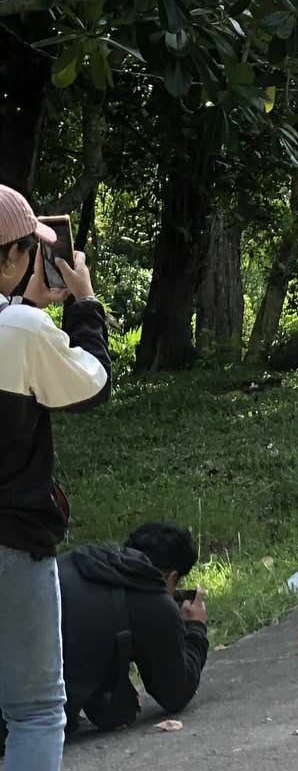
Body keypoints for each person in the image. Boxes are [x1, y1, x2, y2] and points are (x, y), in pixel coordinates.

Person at [0, 185, 111, 771]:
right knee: (37, 713)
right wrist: (84, 304)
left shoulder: (19, 324)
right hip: (12, 543)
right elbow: (89, 385)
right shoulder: (18, 329)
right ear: (13, 258)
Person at [54, 523, 209, 735]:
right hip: (24, 721)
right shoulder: (154, 603)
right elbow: (175, 693)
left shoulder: (84, 563)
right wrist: (196, 629)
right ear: (172, 577)